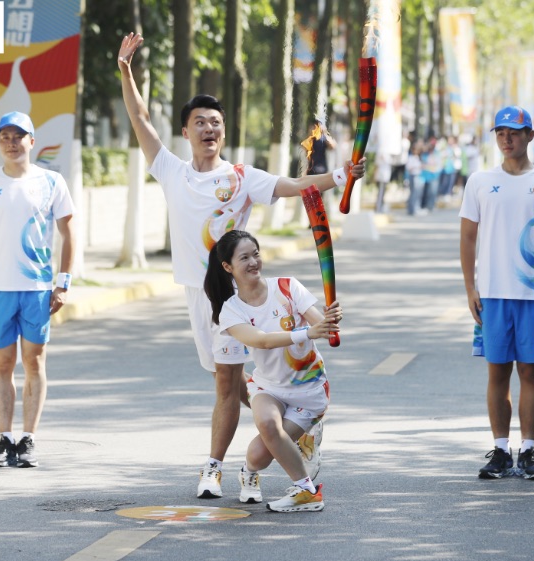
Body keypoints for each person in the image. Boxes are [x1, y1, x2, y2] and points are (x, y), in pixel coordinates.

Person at [117, 32, 365, 498]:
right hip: (197, 293)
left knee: (228, 383)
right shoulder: (171, 169)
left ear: (223, 132)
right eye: (199, 123)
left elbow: (293, 185)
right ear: (186, 132)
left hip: (237, 298)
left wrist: (338, 175)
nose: (208, 129)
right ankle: (297, 425)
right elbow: (139, 117)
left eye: (215, 123)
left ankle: (212, 468)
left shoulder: (241, 178)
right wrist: (126, 72)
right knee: (235, 381)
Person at [459, 105, 534, 481]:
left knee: (530, 370)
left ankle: (528, 449)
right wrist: (470, 287)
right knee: (496, 372)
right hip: (492, 292)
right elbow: (468, 236)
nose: (507, 139)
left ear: (529, 136)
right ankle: (501, 449)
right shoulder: (478, 181)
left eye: (515, 132)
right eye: (501, 133)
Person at [0, 111, 76, 468]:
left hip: (37, 287)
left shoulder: (52, 182)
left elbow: (68, 233)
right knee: (3, 363)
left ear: (32, 141)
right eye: (5, 137)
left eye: (18, 136)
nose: (11, 143)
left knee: (34, 361)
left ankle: (28, 439)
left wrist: (62, 283)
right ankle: (5, 438)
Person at [204, 230, 340, 512]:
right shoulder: (231, 311)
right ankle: (306, 490)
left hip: (310, 391)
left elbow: (321, 327)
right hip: (269, 387)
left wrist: (328, 321)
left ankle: (256, 471)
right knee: (267, 423)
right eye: (244, 257)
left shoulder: (287, 287)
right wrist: (307, 332)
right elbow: (261, 340)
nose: (253, 261)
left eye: (256, 254)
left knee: (258, 455)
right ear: (228, 267)